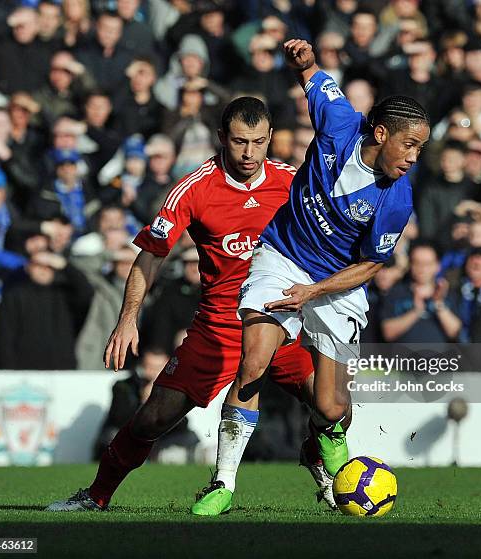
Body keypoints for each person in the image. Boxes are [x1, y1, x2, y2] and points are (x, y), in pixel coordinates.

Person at [45, 97, 337, 515]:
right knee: (152, 420)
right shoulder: (195, 187)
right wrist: (128, 318)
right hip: (219, 329)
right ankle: (95, 496)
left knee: (331, 404)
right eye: (239, 142)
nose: (249, 152)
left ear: (271, 138)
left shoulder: (293, 182)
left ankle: (314, 452)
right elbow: (150, 255)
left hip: (282, 321)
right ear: (222, 138)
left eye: (258, 142)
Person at [191, 39, 430, 513]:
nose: (413, 158)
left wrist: (313, 292)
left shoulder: (396, 199)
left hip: (337, 283)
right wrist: (306, 62)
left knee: (330, 406)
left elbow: (370, 265)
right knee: (254, 359)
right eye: (410, 144)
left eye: (421, 148)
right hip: (281, 257)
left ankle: (319, 443)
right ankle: (223, 483)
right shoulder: (340, 124)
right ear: (380, 133)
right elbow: (315, 81)